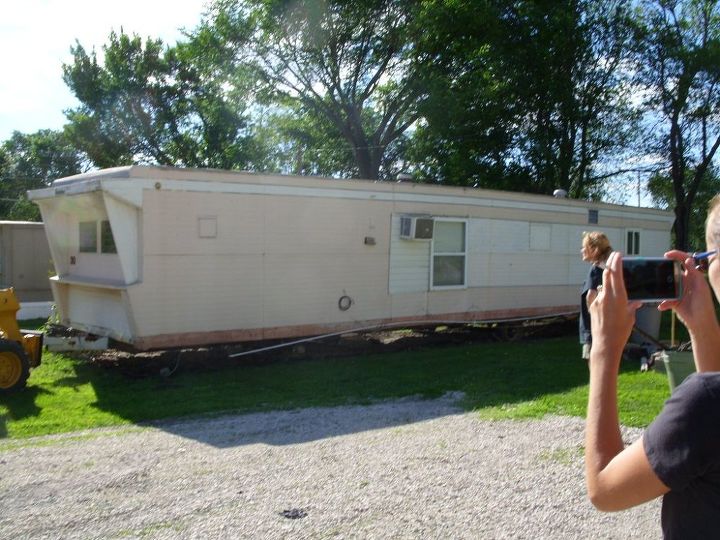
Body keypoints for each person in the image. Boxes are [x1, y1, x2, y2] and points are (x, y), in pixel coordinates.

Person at [584, 195, 720, 539]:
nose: (702, 268)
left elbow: (604, 488)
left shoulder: (704, 404)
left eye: (705, 259)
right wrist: (703, 327)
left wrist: (604, 349)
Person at [579, 231, 612, 361]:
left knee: (595, 366)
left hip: (593, 330)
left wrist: (591, 311)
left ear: (593, 249)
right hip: (607, 328)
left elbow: (590, 297)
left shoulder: (596, 270)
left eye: (584, 247)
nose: (582, 250)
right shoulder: (608, 268)